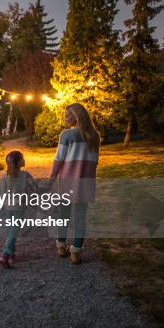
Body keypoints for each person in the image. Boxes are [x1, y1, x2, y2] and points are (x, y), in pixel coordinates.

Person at [49, 103, 99, 265]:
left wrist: (51, 178)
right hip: (85, 182)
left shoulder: (66, 135)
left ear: (76, 117)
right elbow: (94, 162)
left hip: (67, 182)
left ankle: (61, 246)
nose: (65, 118)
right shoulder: (95, 136)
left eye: (67, 115)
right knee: (80, 218)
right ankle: (76, 252)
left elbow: (59, 159)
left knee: (63, 215)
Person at [0, 150, 37, 269]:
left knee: (10, 229)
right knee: (14, 231)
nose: (24, 160)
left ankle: (12, 253)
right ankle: (4, 255)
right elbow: (34, 188)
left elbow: (1, 192)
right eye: (22, 158)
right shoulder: (26, 175)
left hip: (8, 206)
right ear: (18, 162)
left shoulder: (5, 176)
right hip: (20, 207)